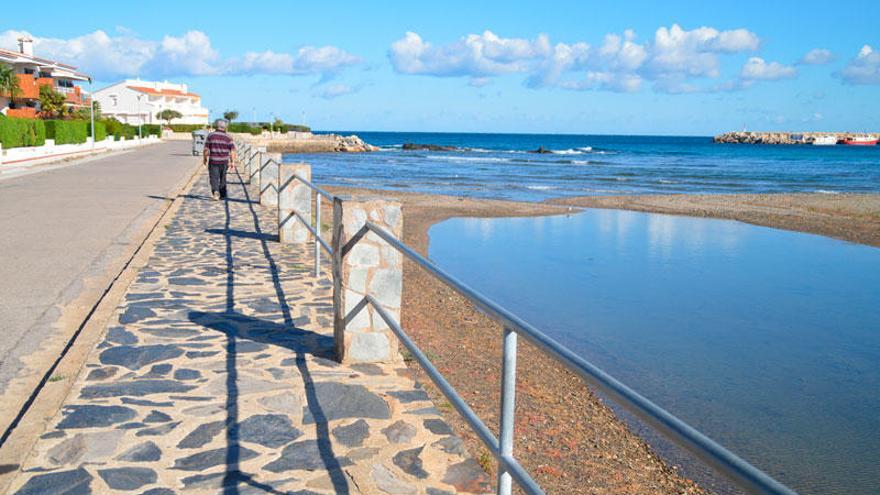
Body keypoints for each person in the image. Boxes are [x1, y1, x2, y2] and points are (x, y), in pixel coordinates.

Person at [203, 119, 237, 200]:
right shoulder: (228, 137)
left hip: (213, 160)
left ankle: (215, 191)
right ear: (225, 127)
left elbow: (206, 149)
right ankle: (223, 194)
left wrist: (205, 158)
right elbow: (233, 150)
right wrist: (232, 162)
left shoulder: (211, 135)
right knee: (223, 177)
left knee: (213, 177)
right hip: (224, 161)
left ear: (216, 126)